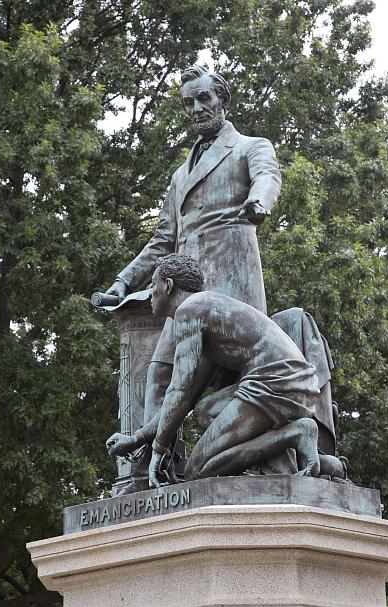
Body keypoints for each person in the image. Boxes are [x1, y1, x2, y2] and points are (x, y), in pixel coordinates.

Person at [104, 64, 282, 486]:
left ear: (222, 100)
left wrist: (259, 202)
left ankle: (257, 459)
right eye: (188, 103)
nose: (196, 108)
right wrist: (124, 281)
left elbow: (268, 177)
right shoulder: (180, 174)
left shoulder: (249, 147)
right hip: (186, 292)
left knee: (227, 378)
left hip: (232, 284)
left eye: (204, 98)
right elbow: (162, 238)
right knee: (161, 372)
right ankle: (154, 470)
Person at [107, 254, 321, 486]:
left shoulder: (189, 311)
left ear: (168, 286)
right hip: (290, 380)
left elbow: (178, 390)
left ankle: (297, 433)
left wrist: (159, 449)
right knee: (205, 411)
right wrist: (137, 439)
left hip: (276, 382)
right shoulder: (206, 309)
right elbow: (187, 396)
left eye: (153, 285)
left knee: (197, 472)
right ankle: (313, 457)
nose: (150, 294)